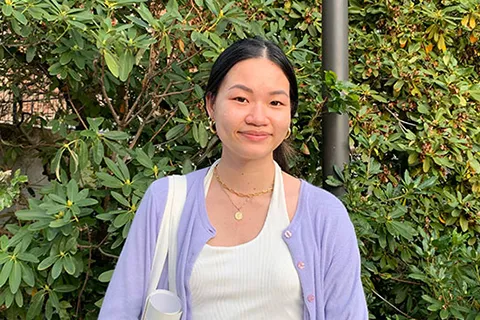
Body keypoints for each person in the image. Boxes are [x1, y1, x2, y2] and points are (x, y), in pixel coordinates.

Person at [99, 37, 368, 320]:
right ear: (211, 105)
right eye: (241, 99)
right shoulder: (166, 202)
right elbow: (119, 311)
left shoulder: (324, 216)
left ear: (290, 115)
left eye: (275, 102)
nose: (257, 116)